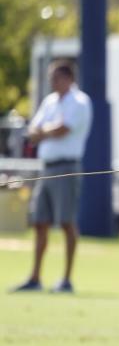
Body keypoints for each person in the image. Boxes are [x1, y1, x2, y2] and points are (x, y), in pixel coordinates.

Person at [10, 60, 92, 294]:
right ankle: (35, 277)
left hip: (67, 167)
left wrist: (45, 132)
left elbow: (63, 129)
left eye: (55, 78)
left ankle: (66, 279)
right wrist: (46, 131)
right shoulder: (49, 102)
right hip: (46, 168)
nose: (52, 82)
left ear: (68, 78)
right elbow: (34, 131)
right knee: (40, 222)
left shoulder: (80, 101)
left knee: (66, 222)